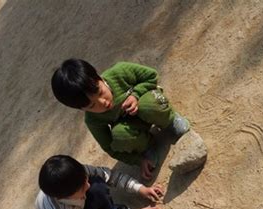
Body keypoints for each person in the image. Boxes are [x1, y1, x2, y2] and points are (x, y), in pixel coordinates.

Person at [51, 59, 190, 180]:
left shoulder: (120, 71)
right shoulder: (93, 121)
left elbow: (151, 75)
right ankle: (147, 145)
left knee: (150, 105)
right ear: (81, 109)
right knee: (120, 135)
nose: (103, 102)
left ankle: (170, 120)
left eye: (100, 92)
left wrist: (136, 95)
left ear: (99, 78)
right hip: (132, 126)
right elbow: (109, 147)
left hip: (147, 103)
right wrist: (138, 160)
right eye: (92, 105)